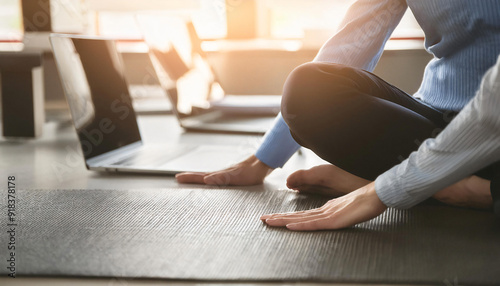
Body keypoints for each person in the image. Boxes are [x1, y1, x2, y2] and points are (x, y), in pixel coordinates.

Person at [176, 0, 500, 230]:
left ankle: (471, 189)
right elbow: (356, 39)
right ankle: (446, 178)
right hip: (433, 119)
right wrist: (264, 158)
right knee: (309, 86)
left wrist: (384, 190)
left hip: (493, 125)